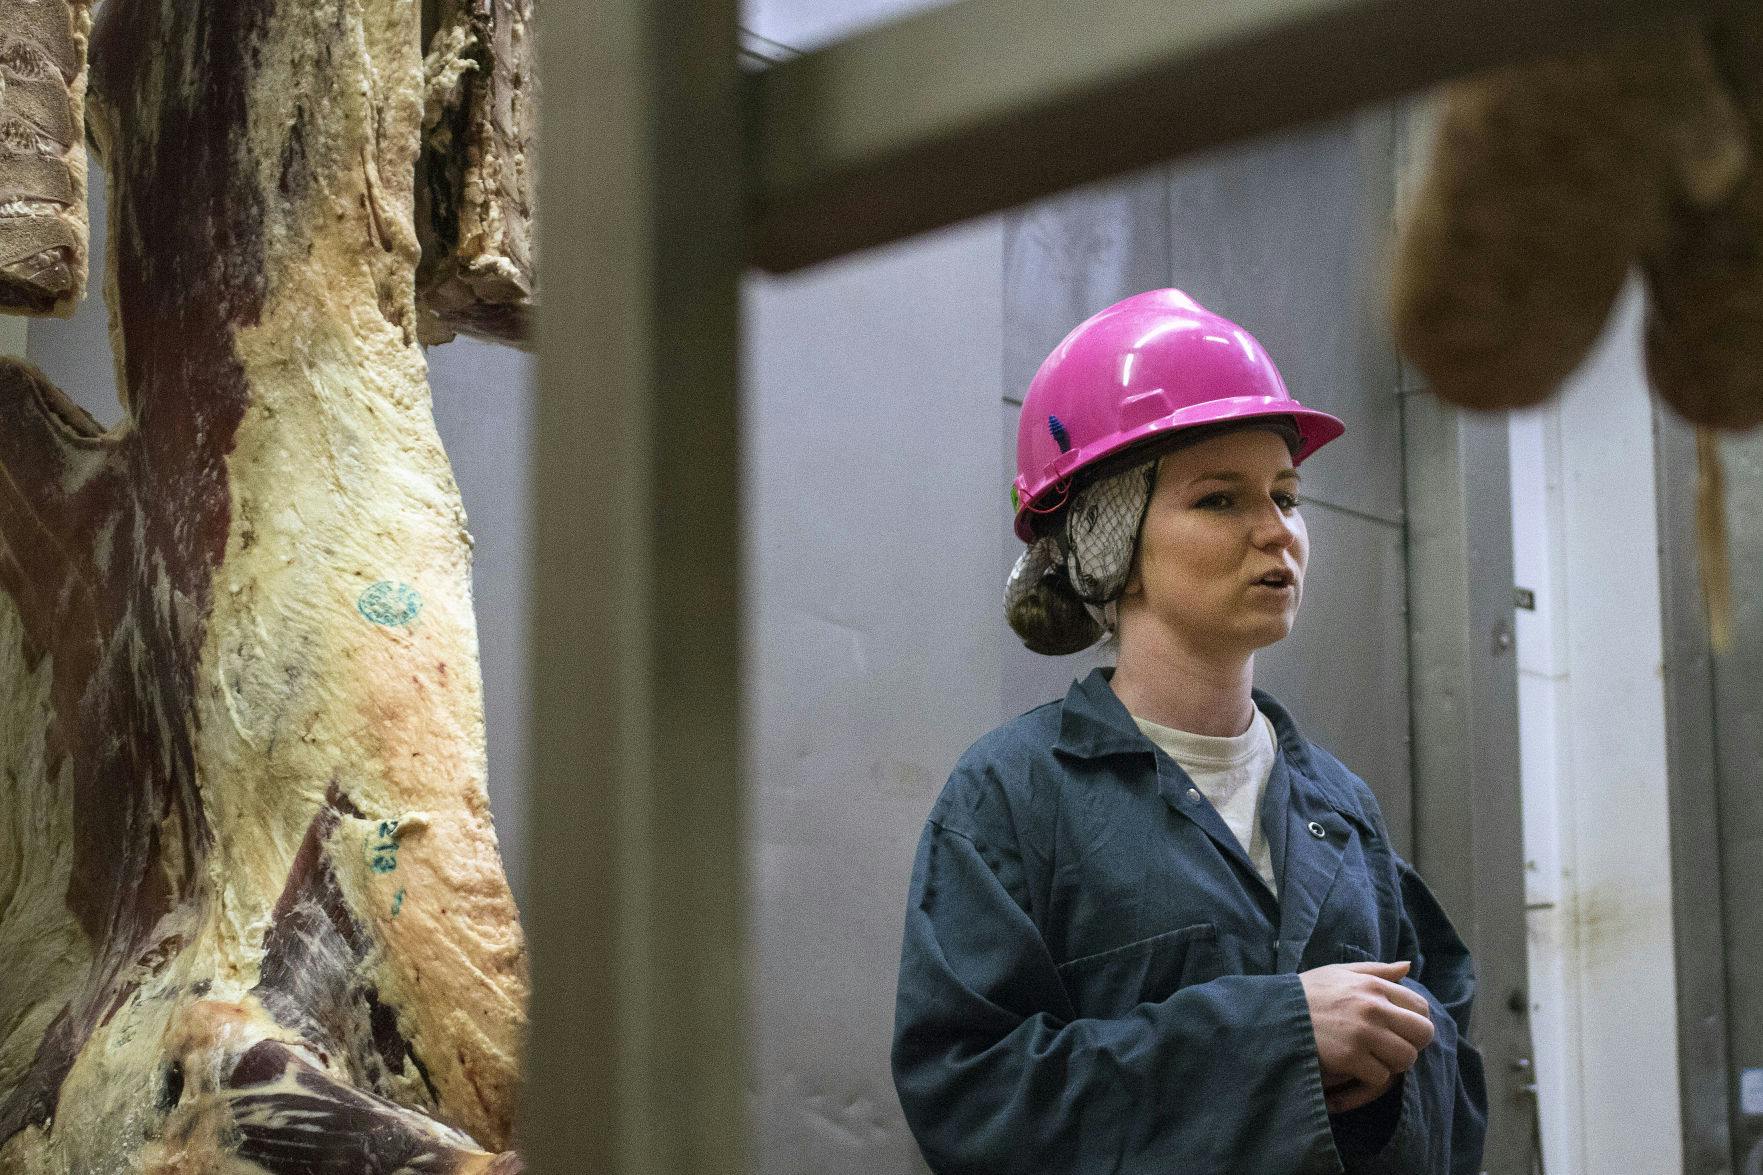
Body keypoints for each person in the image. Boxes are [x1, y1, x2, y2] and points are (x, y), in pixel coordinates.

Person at [890, 290, 1487, 1174]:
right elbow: (969, 1099)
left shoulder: (1340, 808)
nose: (1275, 531)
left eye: (1286, 495)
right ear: (1108, 542)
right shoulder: (1011, 795)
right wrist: (1276, 1037)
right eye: (1218, 499)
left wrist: (1385, 1082)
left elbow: (1454, 1059)